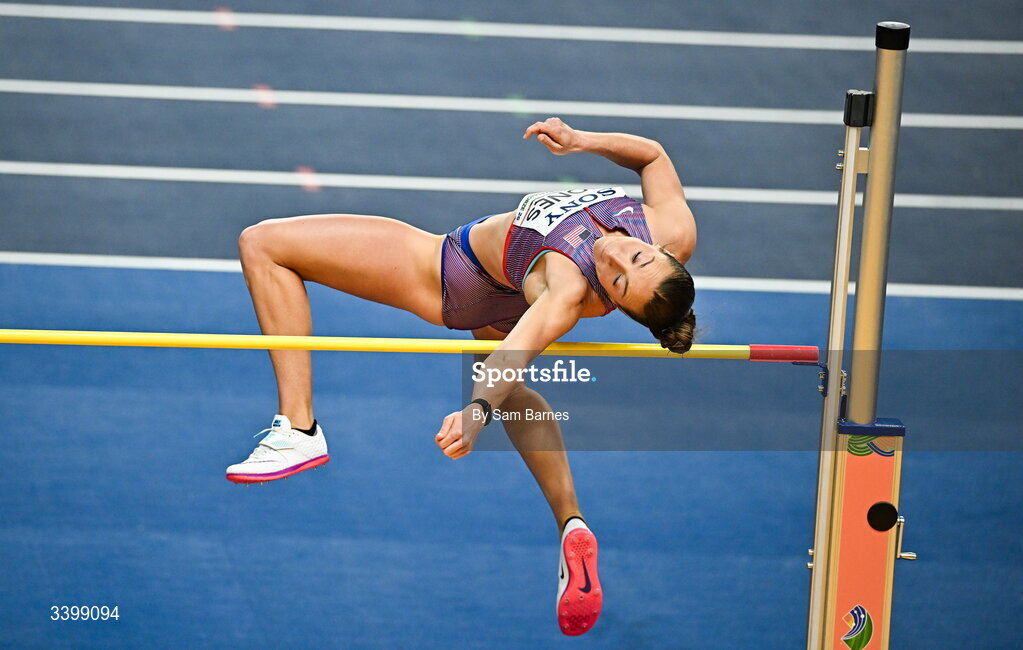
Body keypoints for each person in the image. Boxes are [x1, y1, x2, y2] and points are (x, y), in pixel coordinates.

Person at [226, 118, 697, 635]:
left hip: (455, 274)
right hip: (509, 288)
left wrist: (476, 413)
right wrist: (583, 141)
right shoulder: (671, 226)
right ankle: (572, 522)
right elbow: (652, 155)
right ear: (664, 249)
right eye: (634, 257)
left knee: (263, 244)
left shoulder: (566, 288)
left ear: (609, 298)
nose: (612, 257)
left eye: (615, 281)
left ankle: (299, 429)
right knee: (517, 395)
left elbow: (512, 354)